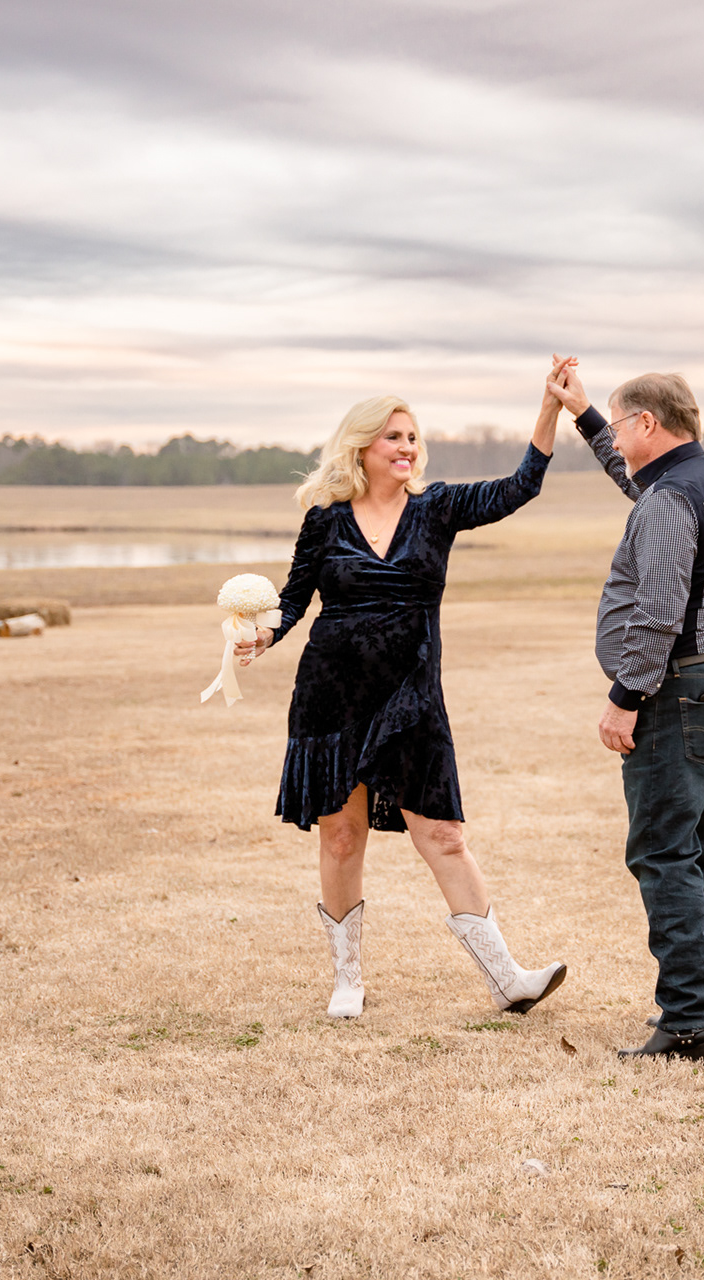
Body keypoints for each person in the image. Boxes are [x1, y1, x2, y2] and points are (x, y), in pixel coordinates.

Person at [234, 385, 568, 1021]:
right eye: (394, 437)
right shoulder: (325, 519)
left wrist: (551, 411)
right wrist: (264, 634)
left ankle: (507, 980)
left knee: (443, 834)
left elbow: (520, 486)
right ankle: (347, 979)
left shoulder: (438, 509)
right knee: (340, 837)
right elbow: (296, 597)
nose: (407, 448)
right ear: (363, 446)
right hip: (331, 696)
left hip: (412, 698)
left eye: (413, 437)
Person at [545, 358, 704, 1062]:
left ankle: (689, 1024)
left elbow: (659, 613)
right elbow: (636, 479)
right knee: (700, 852)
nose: (620, 439)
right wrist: (582, 414)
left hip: (677, 694)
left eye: (619, 419)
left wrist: (624, 699)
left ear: (648, 422)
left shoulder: (668, 501)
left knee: (664, 854)